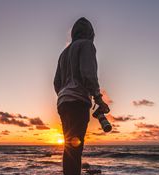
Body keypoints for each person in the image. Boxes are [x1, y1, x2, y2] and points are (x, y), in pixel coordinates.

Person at [54, 17, 110, 175]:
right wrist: (98, 98)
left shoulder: (63, 53)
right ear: (90, 33)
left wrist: (64, 94)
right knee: (75, 148)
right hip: (77, 101)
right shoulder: (87, 45)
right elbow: (88, 74)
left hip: (63, 102)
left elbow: (56, 82)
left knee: (69, 146)